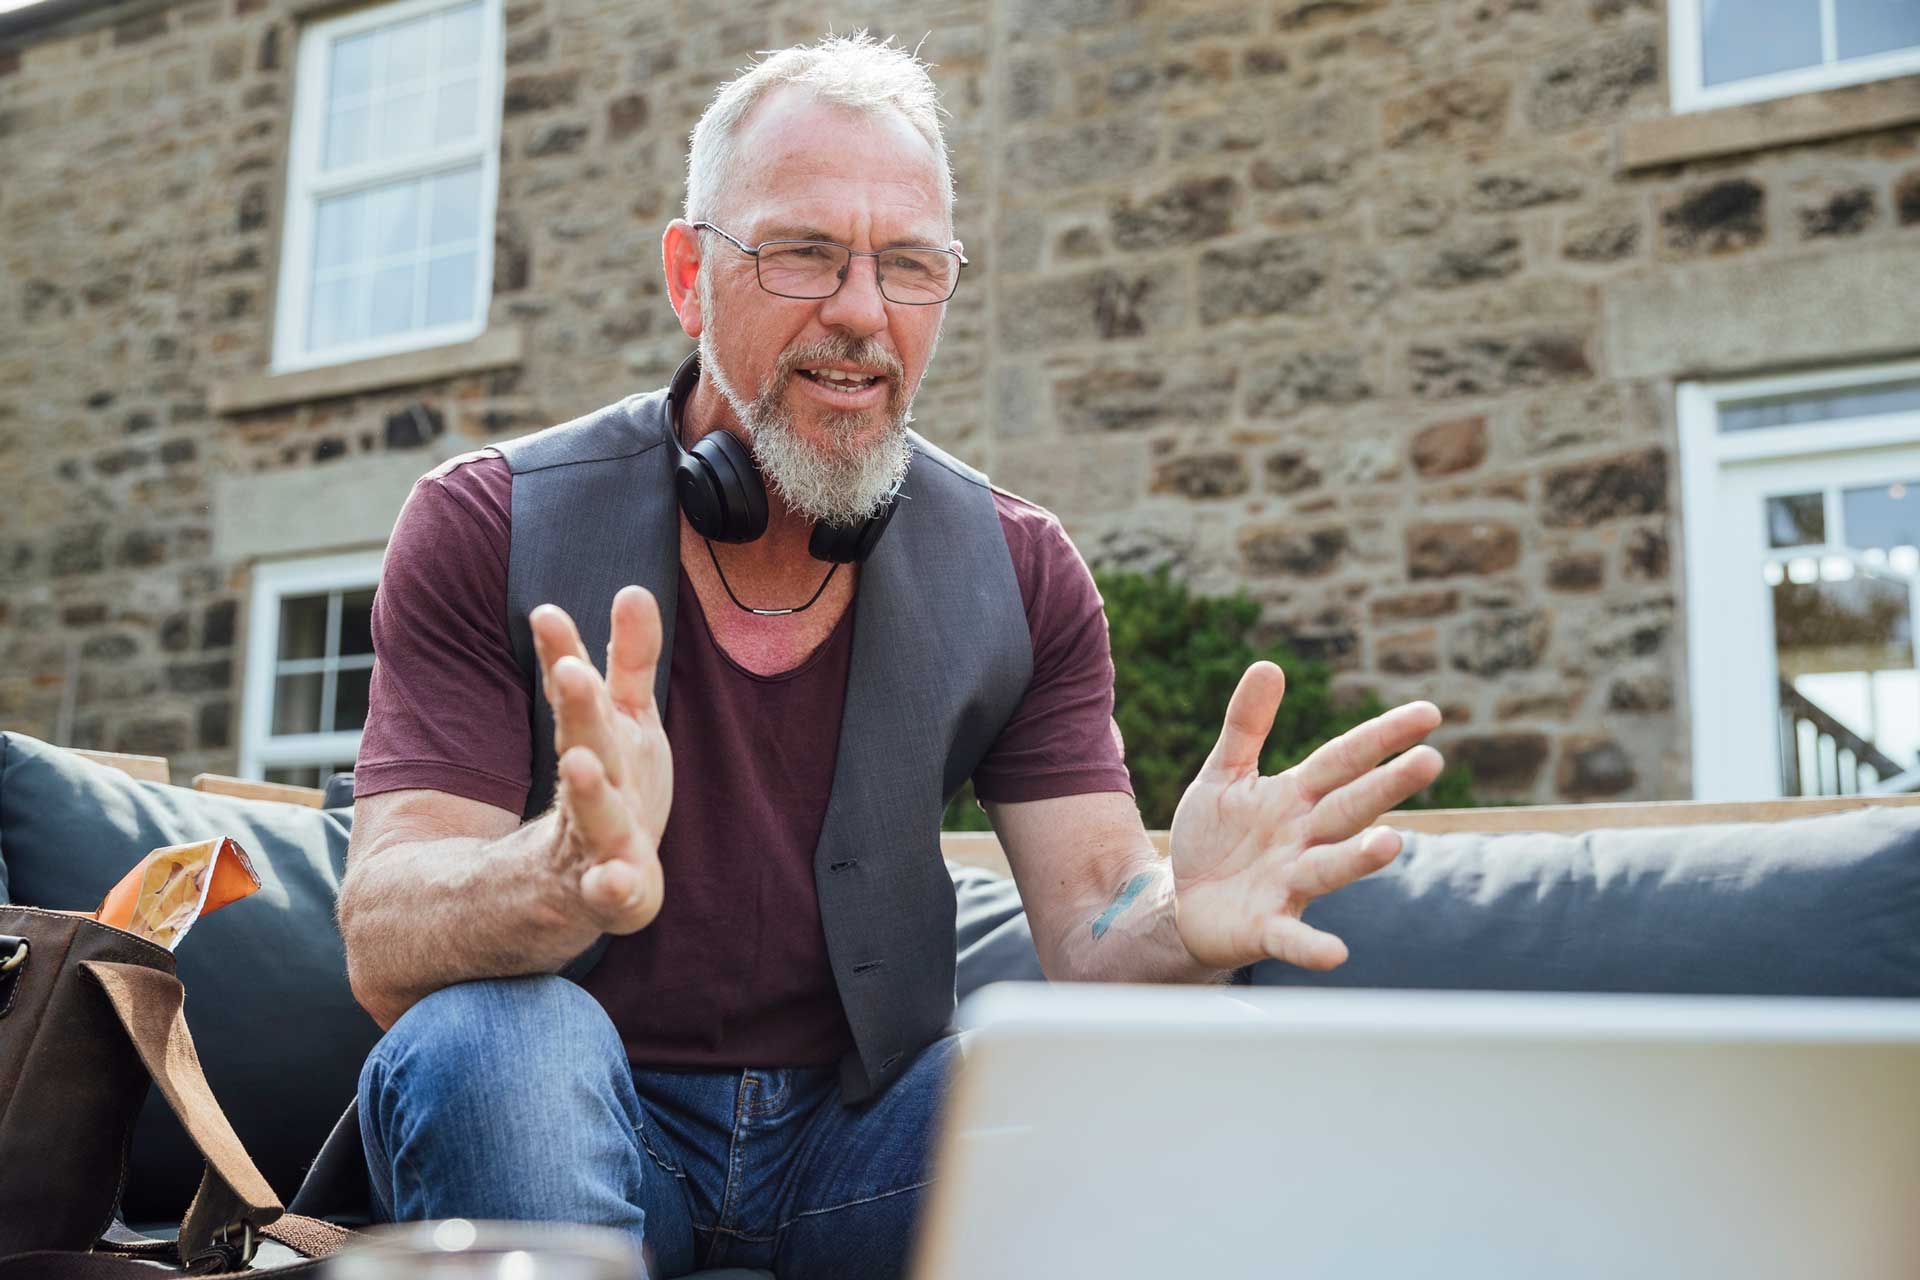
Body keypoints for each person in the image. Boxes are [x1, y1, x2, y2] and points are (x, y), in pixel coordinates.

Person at [337, 32, 1444, 1280]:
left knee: (1090, 1078)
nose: (861, 312)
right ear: (690, 276)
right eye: (805, 251)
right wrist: (557, 868)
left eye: (908, 265)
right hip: (578, 1121)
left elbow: (1096, 928)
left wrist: (1188, 922)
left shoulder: (1022, 570)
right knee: (491, 1046)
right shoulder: (486, 522)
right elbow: (383, 941)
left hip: (860, 1145)